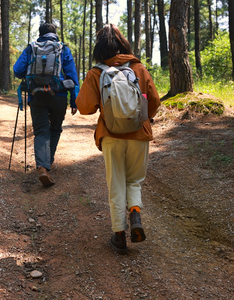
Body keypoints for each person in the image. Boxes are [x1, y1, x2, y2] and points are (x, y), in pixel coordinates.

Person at [76, 24, 161, 254]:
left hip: (111, 136)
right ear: (124, 44)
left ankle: (119, 236)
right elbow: (154, 101)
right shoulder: (138, 68)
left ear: (99, 48)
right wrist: (141, 118)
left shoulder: (97, 72)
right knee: (134, 181)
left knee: (116, 184)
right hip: (139, 134)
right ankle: (135, 215)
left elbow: (84, 107)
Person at [13, 23, 79, 187]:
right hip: (59, 95)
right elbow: (72, 76)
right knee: (55, 128)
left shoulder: (31, 48)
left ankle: (42, 166)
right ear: (55, 34)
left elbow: (17, 70)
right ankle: (47, 163)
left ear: (40, 34)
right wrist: (74, 100)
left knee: (41, 131)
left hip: (37, 95)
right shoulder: (63, 49)